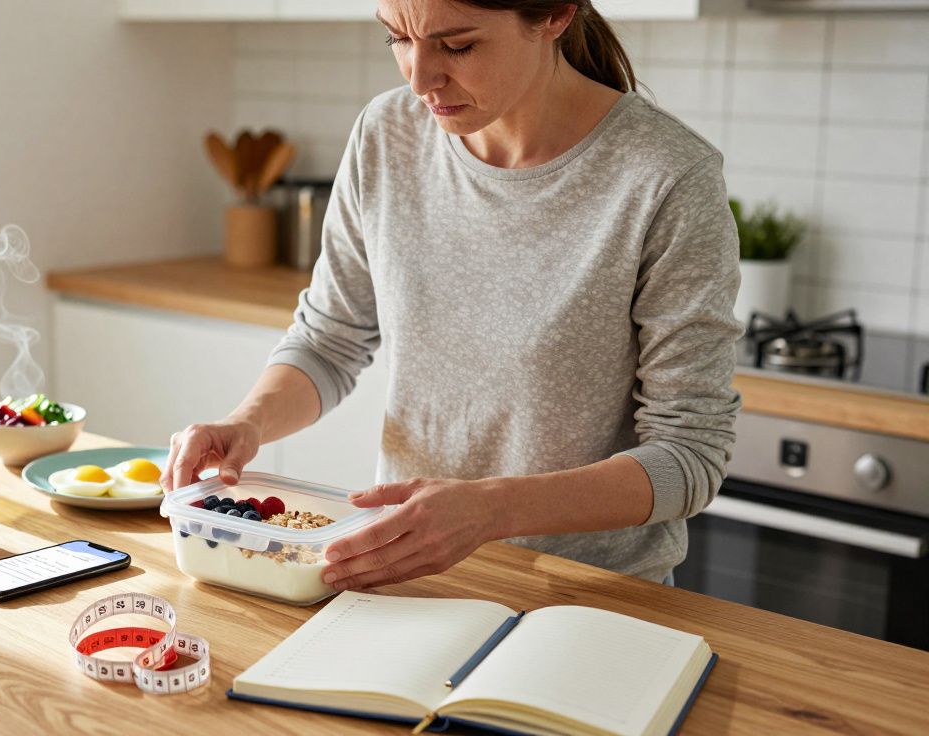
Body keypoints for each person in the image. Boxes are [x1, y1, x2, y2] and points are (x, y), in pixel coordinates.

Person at [161, 0, 740, 591]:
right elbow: (329, 340)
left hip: (589, 597)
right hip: (409, 575)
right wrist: (246, 424)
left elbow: (689, 454)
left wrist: (492, 510)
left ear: (555, 15)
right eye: (398, 40)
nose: (419, 79)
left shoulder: (666, 176)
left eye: (458, 46)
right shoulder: (386, 134)